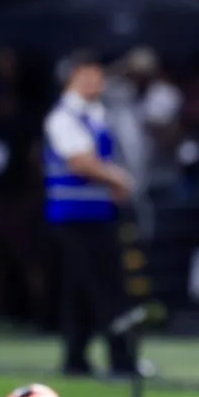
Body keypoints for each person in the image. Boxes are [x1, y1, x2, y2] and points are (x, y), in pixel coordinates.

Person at [44, 53, 141, 378]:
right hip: (73, 216)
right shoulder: (63, 117)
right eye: (87, 77)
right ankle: (121, 359)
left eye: (98, 77)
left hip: (98, 213)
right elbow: (81, 162)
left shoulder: (98, 114)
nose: (95, 84)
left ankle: (75, 357)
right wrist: (119, 179)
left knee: (80, 289)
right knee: (105, 287)